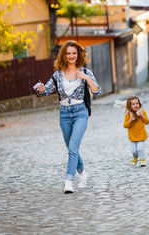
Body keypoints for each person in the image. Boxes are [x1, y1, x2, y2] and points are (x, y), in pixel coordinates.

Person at [35, 40, 101, 194]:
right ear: (64, 55)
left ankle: (68, 181)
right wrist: (40, 89)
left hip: (80, 113)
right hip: (64, 114)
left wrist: (85, 78)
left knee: (72, 147)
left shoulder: (85, 72)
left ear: (78, 55)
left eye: (74, 53)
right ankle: (83, 173)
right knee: (71, 148)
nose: (71, 56)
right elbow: (45, 91)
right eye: (68, 53)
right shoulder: (58, 74)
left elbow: (97, 90)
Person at [123, 95, 149, 167]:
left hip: (141, 135)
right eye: (133, 104)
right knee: (134, 151)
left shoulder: (142, 112)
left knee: (140, 148)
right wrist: (130, 120)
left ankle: (142, 160)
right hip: (132, 137)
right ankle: (135, 157)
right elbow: (125, 125)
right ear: (129, 106)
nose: (136, 105)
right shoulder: (128, 115)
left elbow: (147, 122)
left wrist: (142, 116)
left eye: (137, 103)